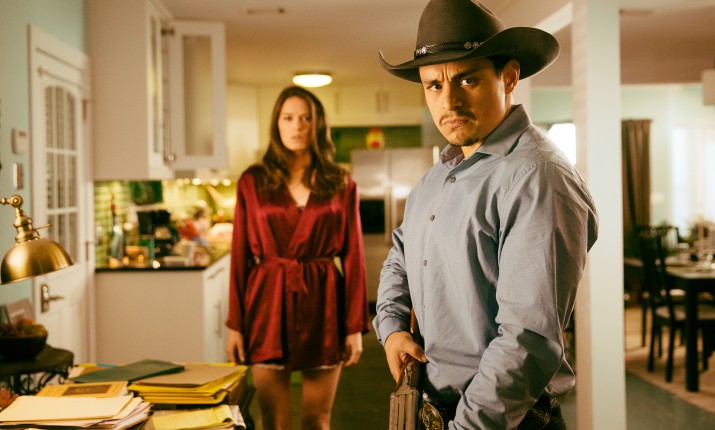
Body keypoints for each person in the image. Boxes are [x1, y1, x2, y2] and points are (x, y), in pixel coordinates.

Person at [372, 1, 599, 429]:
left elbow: (527, 340)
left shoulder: (538, 177)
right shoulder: (437, 177)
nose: (449, 100)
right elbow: (400, 256)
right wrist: (392, 327)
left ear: (508, 77)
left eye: (467, 79)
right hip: (431, 409)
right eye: (433, 85)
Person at [225, 86, 371, 429]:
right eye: (288, 118)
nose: (297, 126)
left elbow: (354, 257)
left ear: (318, 124)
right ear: (276, 123)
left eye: (306, 118)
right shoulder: (253, 181)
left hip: (324, 304)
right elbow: (239, 256)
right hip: (266, 304)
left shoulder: (340, 182)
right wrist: (235, 324)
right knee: (273, 422)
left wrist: (354, 326)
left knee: (316, 420)